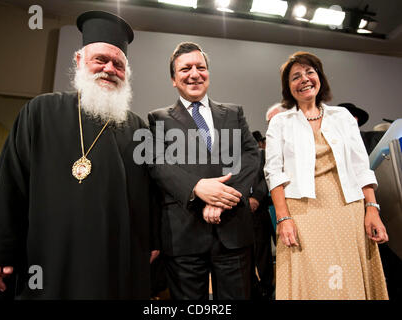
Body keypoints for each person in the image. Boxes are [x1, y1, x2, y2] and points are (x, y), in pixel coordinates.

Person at [0, 11, 159, 299]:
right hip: (47, 259)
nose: (109, 69)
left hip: (111, 265)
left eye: (118, 65)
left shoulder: (137, 128)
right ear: (79, 61)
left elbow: (148, 196)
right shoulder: (41, 112)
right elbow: (11, 182)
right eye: (100, 59)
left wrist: (153, 239)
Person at [264, 51, 389, 300]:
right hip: (302, 212)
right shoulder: (280, 123)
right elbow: (273, 174)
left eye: (310, 72)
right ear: (288, 88)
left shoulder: (342, 117)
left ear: (320, 77)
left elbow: (360, 166)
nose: (304, 79)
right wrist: (283, 218)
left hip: (347, 209)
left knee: (347, 277)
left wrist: (372, 209)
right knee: (313, 280)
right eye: (295, 76)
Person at [147, 42, 259, 300]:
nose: (194, 73)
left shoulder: (233, 113)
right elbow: (156, 163)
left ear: (208, 73)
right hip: (184, 232)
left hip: (233, 230)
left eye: (201, 67)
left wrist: (223, 198)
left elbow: (251, 155)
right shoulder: (158, 118)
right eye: (185, 68)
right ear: (174, 79)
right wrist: (198, 188)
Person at [249, 131, 274, 300]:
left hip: (259, 210)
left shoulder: (261, 156)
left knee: (263, 252)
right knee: (244, 255)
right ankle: (252, 287)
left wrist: (256, 198)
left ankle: (267, 287)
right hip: (238, 212)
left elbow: (267, 178)